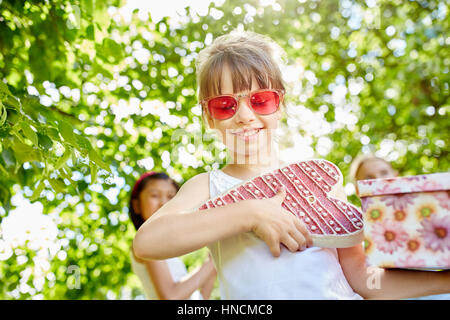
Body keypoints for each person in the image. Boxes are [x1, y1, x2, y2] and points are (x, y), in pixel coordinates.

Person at [133, 30, 450, 299]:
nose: (245, 115)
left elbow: (363, 278)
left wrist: (443, 281)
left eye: (260, 100)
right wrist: (251, 213)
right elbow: (148, 242)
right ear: (208, 117)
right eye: (225, 105)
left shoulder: (320, 180)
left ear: (279, 104)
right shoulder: (208, 186)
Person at [351, 154, 450, 300]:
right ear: (358, 189)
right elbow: (368, 283)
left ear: (396, 176)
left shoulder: (430, 209)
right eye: (369, 177)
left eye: (384, 173)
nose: (379, 180)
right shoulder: (354, 228)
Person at [129, 171, 217, 300]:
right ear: (136, 205)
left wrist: (212, 264)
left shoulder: (166, 247)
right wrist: (209, 265)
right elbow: (171, 296)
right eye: (154, 195)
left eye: (171, 196)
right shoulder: (149, 241)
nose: (164, 203)